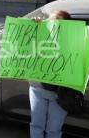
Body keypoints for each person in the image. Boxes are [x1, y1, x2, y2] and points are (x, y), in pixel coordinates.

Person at [30, 10, 70, 138]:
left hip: (60, 93)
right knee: (36, 125)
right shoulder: (40, 35)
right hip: (38, 89)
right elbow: (23, 43)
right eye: (51, 21)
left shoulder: (72, 42)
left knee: (53, 130)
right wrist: (32, 26)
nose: (54, 25)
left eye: (58, 22)